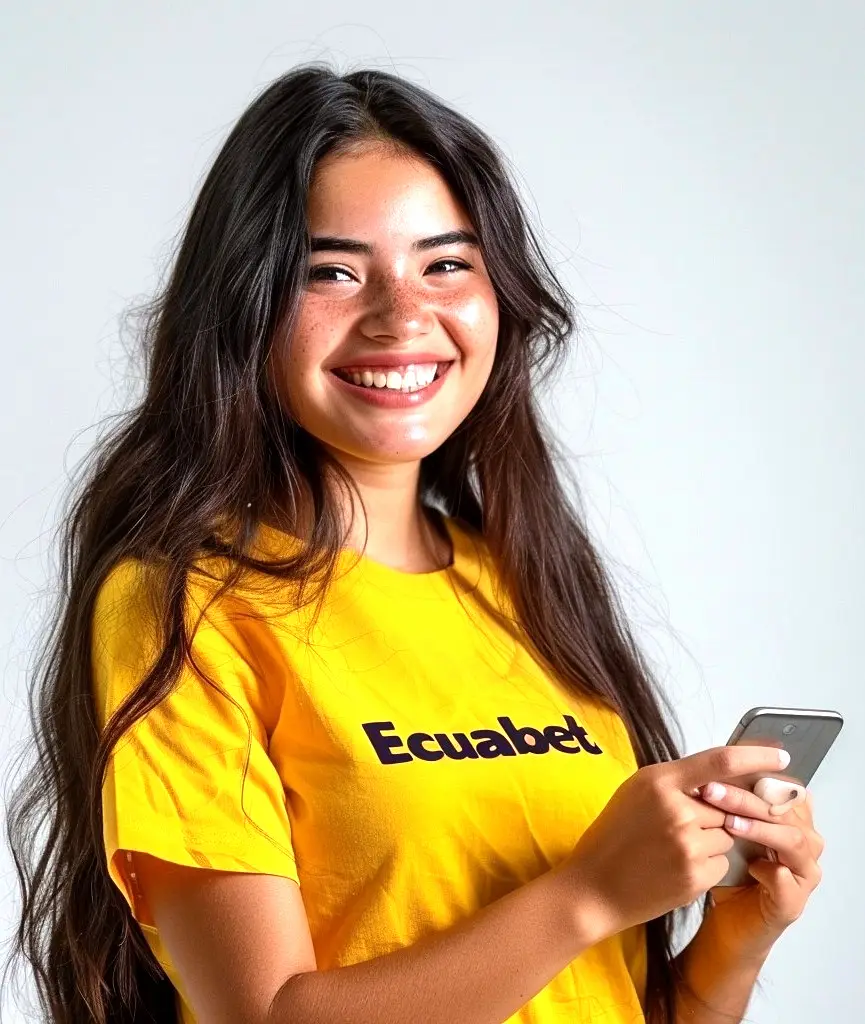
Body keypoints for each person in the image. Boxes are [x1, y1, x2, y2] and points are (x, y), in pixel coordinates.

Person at [3, 63, 824, 1024]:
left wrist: (735, 935)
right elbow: (263, 1014)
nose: (402, 316)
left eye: (445, 264)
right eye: (333, 271)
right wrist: (587, 895)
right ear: (242, 304)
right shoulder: (182, 602)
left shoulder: (524, 581)